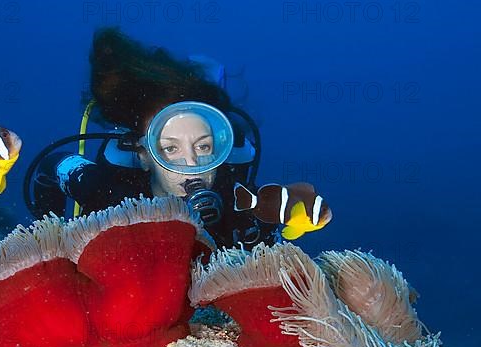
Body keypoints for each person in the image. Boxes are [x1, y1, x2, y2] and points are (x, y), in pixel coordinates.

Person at [26, 28, 329, 250]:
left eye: (204, 146)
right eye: (170, 148)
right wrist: (49, 231)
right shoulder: (106, 194)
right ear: (144, 154)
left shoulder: (245, 209)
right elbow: (52, 165)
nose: (192, 165)